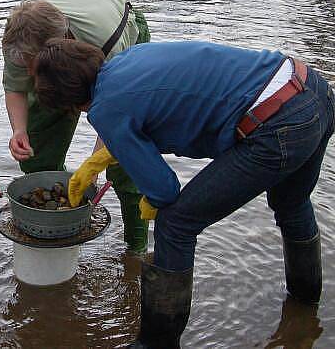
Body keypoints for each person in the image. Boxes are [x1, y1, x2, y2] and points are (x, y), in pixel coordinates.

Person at [33, 38, 333, 348]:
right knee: (292, 203)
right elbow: (156, 104)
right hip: (311, 88)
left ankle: (156, 342)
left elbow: (164, 190)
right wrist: (106, 155)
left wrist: (151, 199)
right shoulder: (128, 59)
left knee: (176, 223)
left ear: (69, 103)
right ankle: (304, 310)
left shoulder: (106, 109)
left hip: (279, 124)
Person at [2, 0, 151, 254]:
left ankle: (136, 249)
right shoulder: (20, 39)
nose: (26, 70)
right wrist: (19, 131)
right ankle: (51, 234)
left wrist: (93, 166)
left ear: (58, 48)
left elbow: (115, 117)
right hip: (65, 38)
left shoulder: (109, 46)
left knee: (125, 162)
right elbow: (14, 87)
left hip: (121, 34)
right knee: (38, 151)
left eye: (32, 66)